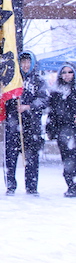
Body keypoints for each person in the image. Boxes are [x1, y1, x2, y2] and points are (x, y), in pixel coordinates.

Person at [4, 51, 48, 196]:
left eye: (28, 62)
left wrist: (28, 107)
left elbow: (44, 100)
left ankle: (31, 186)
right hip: (13, 123)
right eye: (22, 62)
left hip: (32, 125)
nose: (25, 65)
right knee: (10, 156)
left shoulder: (39, 80)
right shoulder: (13, 80)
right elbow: (5, 98)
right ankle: (10, 186)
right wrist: (12, 103)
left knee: (32, 157)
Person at [46, 63, 76, 198]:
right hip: (63, 130)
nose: (67, 75)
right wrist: (50, 129)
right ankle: (71, 186)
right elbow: (52, 113)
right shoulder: (56, 92)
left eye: (70, 72)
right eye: (64, 72)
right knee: (67, 159)